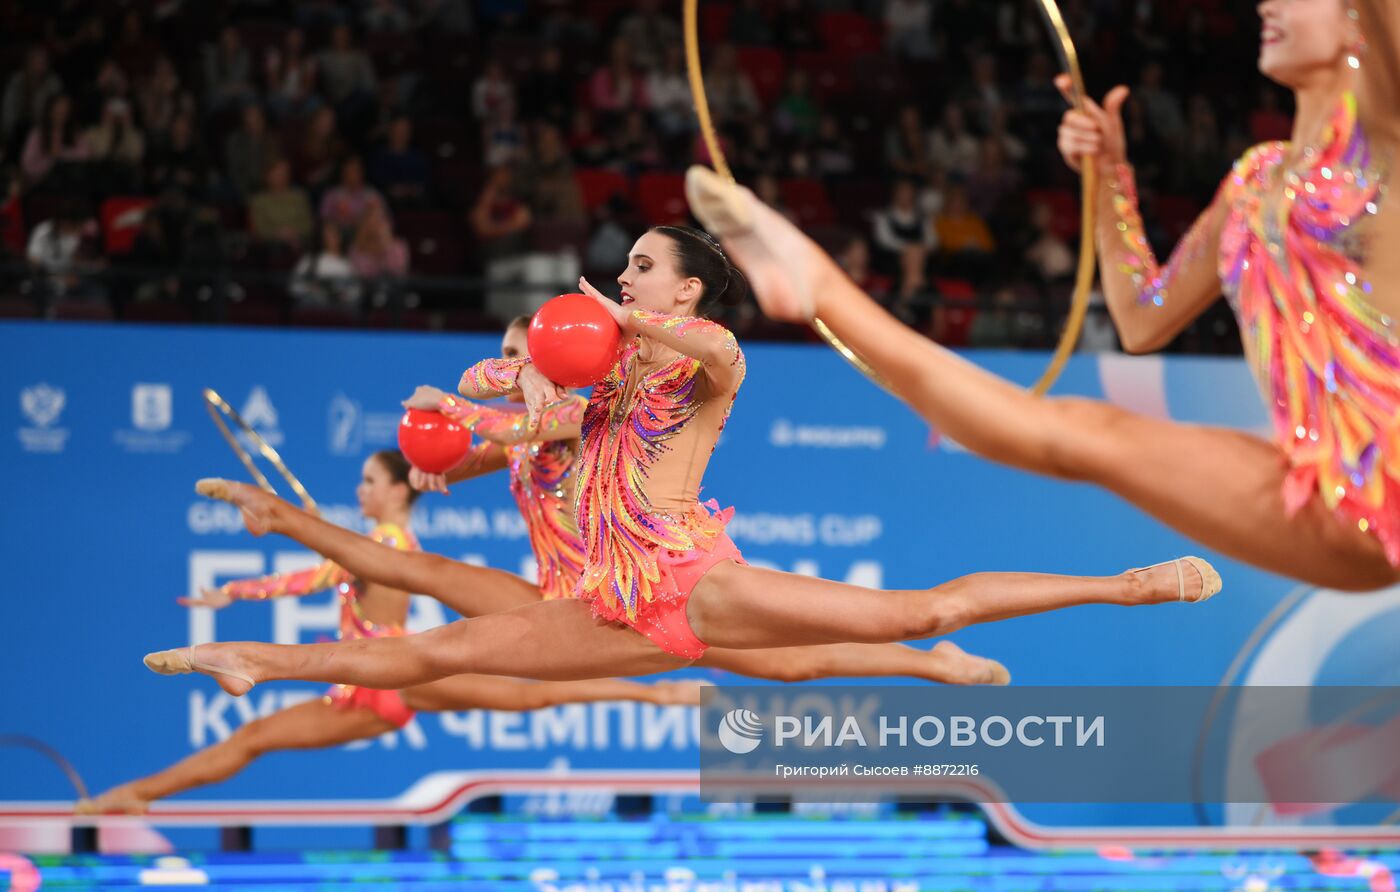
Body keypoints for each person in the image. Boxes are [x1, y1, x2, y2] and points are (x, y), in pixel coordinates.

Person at [144, 227, 1217, 695]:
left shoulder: (705, 359)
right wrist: (472, 418)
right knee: (443, 652)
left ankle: (1120, 585)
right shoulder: (598, 374)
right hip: (604, 600)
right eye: (624, 268)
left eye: (642, 267)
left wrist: (604, 339)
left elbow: (714, 353)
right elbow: (512, 403)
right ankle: (254, 662)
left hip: (689, 578)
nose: (625, 276)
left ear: (684, 289)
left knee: (917, 614)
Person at [679, 0, 1400, 590]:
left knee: (1088, 435)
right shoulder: (1256, 180)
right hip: (1320, 487)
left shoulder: (1389, 146)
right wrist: (1109, 176)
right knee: (1079, 432)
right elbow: (1141, 319)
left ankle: (819, 286)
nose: (1266, 5)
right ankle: (815, 286)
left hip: (1385, 487)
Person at [78, 451, 696, 815]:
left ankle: (135, 793)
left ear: (400, 490)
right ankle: (662, 694)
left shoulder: (390, 542)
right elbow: (328, 570)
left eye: (371, 482)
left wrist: (238, 589)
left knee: (253, 739)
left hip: (377, 680)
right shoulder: (384, 542)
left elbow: (315, 576)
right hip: (386, 678)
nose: (361, 490)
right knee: (529, 693)